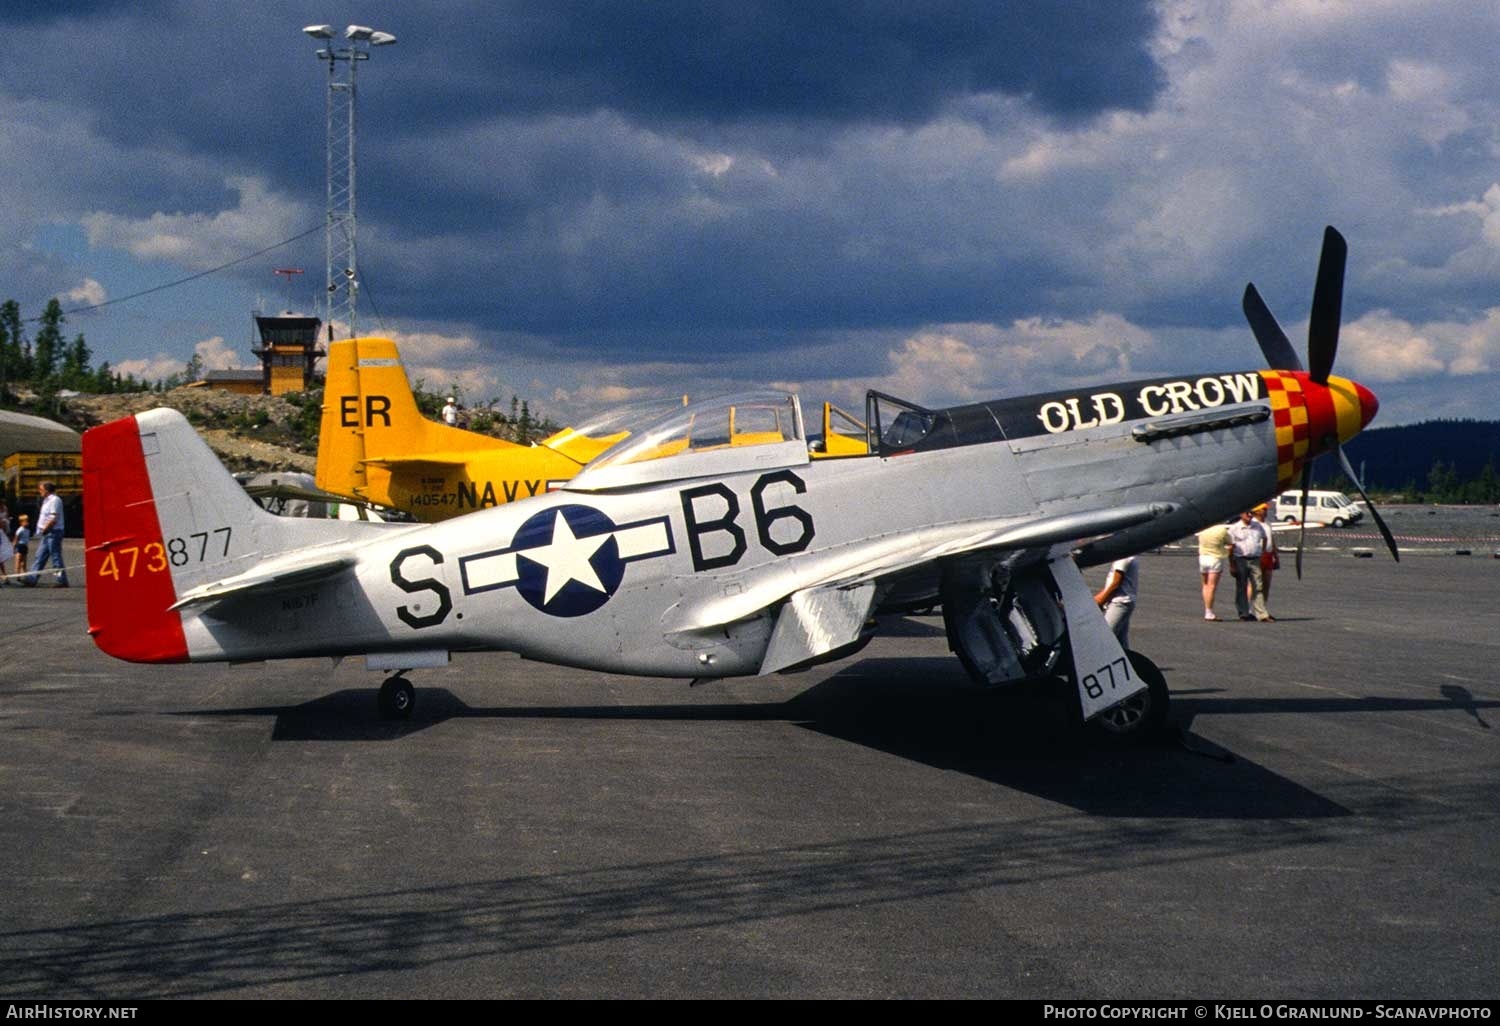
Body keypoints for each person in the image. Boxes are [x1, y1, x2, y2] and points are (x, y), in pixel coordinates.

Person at [1228, 509, 1269, 622]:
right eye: (1247, 513)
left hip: (1255, 559)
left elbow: (1264, 538)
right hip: (1240, 559)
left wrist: (1262, 552)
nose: (1250, 515)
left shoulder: (1257, 526)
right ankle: (1243, 613)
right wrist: (1232, 564)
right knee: (1241, 587)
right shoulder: (1234, 528)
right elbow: (1230, 547)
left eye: (1252, 513)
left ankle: (1262, 614)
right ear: (1241, 514)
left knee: (1258, 586)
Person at [25, 481, 67, 588]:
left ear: (47, 490)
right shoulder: (46, 500)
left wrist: (45, 529)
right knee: (40, 555)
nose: (40, 492)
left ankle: (61, 580)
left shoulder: (54, 500)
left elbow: (53, 518)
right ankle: (31, 579)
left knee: (55, 556)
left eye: (41, 489)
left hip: (53, 532)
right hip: (47, 532)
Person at [1093, 554, 1140, 647]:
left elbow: (1116, 582)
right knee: (1120, 643)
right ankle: (1129, 660)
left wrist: (1100, 600)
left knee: (1104, 638)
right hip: (1124, 601)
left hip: (1119, 603)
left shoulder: (1123, 557)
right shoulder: (1130, 555)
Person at [1196, 520, 1232, 621]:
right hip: (1215, 558)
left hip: (1203, 557)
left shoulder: (1203, 528)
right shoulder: (1221, 530)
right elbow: (1230, 542)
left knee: (1205, 585)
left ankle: (1207, 609)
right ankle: (1209, 611)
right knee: (1212, 586)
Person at [1253, 503, 1279, 617]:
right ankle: (1251, 609)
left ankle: (1263, 609)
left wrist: (1276, 556)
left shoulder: (1268, 523)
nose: (1265, 511)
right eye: (1263, 509)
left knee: (1266, 583)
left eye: (1265, 509)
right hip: (1258, 555)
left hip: (1268, 555)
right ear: (1257, 511)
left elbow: (1271, 540)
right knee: (1255, 584)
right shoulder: (1253, 523)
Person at [10, 514, 29, 584]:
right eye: (25, 521)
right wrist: (14, 547)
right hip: (19, 546)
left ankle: (25, 576)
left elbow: (27, 540)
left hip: (25, 546)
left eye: (27, 521)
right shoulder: (19, 530)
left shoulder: (27, 530)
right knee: (18, 561)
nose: (27, 522)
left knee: (24, 563)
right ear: (21, 522)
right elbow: (16, 539)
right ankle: (18, 577)